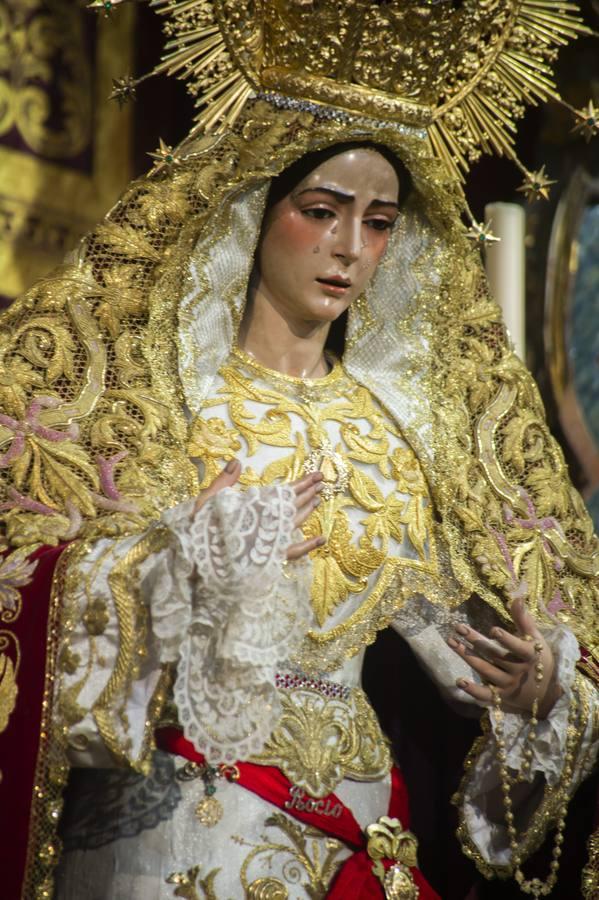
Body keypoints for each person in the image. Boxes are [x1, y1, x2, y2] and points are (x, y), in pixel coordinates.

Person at [1, 7, 598, 899]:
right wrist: (176, 566)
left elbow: (475, 644)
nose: (349, 249)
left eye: (380, 222)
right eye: (320, 211)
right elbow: (18, 579)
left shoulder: (402, 435)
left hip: (356, 835)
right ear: (253, 208)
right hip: (170, 831)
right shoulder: (155, 397)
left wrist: (540, 689)